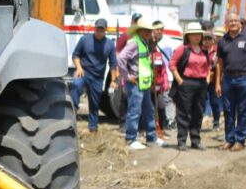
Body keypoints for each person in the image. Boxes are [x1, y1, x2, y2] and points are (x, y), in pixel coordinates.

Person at [214, 12, 246, 151]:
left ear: (240, 23)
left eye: (236, 21)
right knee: (228, 110)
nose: (233, 23)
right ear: (226, 24)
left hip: (245, 77)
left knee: (242, 110)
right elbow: (219, 62)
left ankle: (240, 141)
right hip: (228, 79)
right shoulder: (223, 40)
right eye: (231, 21)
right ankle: (229, 139)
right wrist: (218, 82)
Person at [169, 22, 214, 151]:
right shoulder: (182, 49)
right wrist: (180, 80)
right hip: (186, 83)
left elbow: (208, 66)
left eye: (199, 34)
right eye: (194, 34)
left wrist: (207, 78)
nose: (197, 37)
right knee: (183, 113)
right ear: (188, 36)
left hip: (201, 85)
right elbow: (172, 64)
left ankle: (196, 141)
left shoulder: (204, 50)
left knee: (198, 112)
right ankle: (182, 141)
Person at [71, 18, 118, 133]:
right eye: (97, 29)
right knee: (76, 84)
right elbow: (75, 55)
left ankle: (93, 128)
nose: (99, 31)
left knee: (94, 104)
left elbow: (113, 64)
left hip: (97, 77)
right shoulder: (84, 40)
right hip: (83, 72)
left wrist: (113, 80)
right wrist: (79, 67)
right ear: (94, 28)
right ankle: (74, 107)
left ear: (105, 30)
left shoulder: (110, 44)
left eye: (101, 30)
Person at [117, 20, 159, 150]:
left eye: (149, 30)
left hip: (143, 83)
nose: (148, 32)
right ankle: (131, 139)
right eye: (145, 30)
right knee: (135, 111)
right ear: (138, 30)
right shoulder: (134, 43)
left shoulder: (144, 42)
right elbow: (120, 58)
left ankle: (152, 138)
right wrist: (126, 76)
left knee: (149, 110)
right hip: (135, 83)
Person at [150, 21, 174, 141]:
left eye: (161, 29)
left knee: (161, 106)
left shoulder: (160, 49)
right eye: (157, 29)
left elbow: (164, 68)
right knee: (150, 108)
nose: (159, 32)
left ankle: (161, 129)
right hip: (148, 85)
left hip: (159, 85)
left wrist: (165, 81)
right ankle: (149, 130)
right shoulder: (147, 48)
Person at [201, 20, 222, 129]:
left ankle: (216, 121)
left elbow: (219, 65)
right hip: (202, 79)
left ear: (213, 40)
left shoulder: (217, 51)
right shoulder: (201, 50)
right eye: (205, 38)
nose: (207, 41)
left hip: (214, 80)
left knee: (215, 101)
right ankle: (203, 117)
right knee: (202, 100)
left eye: (210, 38)